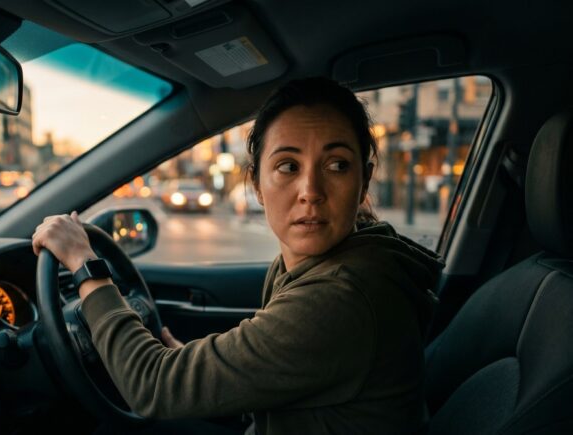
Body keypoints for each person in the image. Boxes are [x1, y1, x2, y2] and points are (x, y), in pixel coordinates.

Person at [33, 77, 443, 434]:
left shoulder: (343, 297)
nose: (311, 191)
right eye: (288, 166)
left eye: (337, 165)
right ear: (257, 184)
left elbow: (152, 385)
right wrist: (204, 370)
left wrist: (85, 266)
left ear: (364, 181)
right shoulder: (340, 261)